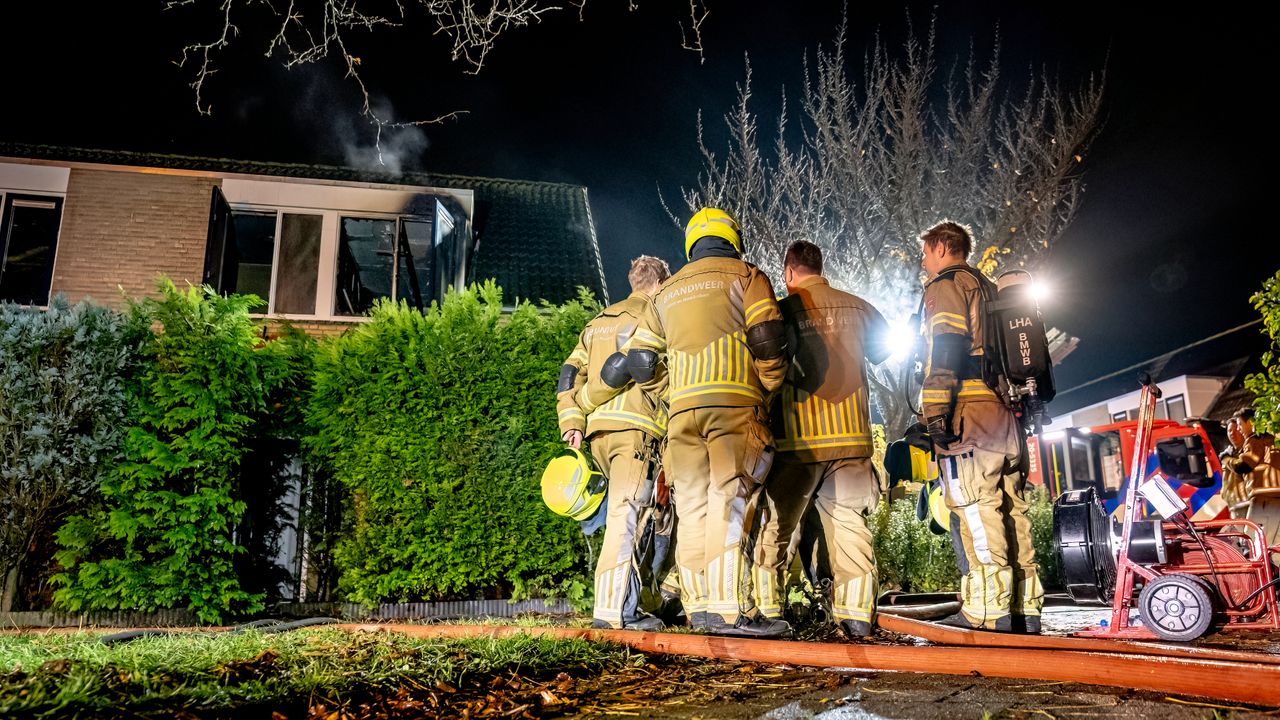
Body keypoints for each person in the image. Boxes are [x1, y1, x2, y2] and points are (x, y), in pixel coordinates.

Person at [583, 207, 791, 637]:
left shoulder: (666, 291)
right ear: (732, 237)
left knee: (694, 509)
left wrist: (671, 390)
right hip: (734, 403)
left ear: (691, 243)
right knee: (729, 501)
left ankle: (700, 611)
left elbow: (639, 361)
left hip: (681, 416)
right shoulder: (747, 276)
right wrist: (767, 386)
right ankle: (728, 612)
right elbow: (768, 337)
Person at [752, 240, 891, 639]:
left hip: (799, 442)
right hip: (851, 441)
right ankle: (858, 617)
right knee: (850, 526)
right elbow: (883, 352)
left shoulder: (779, 311)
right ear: (820, 267)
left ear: (789, 272)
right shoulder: (858, 306)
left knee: (777, 528)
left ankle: (770, 611)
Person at [917, 220, 1042, 633]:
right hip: (1004, 414)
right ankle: (1026, 607)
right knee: (1011, 509)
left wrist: (934, 410)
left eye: (925, 253)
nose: (922, 262)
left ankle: (989, 610)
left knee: (974, 505)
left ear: (940, 248)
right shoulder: (991, 289)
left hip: (968, 411)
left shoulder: (946, 286)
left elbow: (946, 347)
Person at [556, 255, 672, 631]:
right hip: (635, 430)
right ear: (661, 282)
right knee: (625, 518)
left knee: (629, 521)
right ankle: (612, 612)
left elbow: (569, 376)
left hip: (598, 434)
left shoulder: (597, 323)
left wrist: (572, 421)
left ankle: (629, 604)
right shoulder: (658, 316)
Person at [1230, 408, 1280, 544]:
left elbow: (1244, 465)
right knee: (1273, 543)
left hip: (1263, 498)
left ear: (1250, 422)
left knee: (1251, 539)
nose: (1238, 429)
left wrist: (1227, 460)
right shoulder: (1273, 439)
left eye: (1240, 424)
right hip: (1276, 496)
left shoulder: (1254, 440)